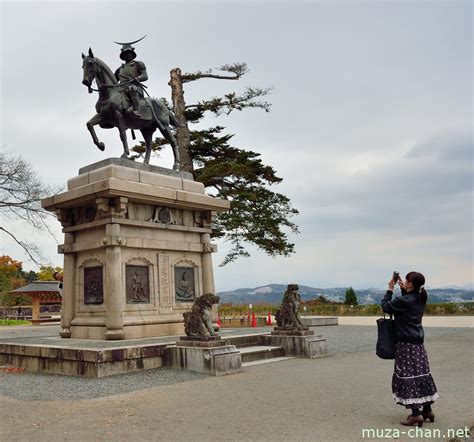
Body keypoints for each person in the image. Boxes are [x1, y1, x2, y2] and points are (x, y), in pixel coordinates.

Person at [382, 271, 438, 427]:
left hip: (405, 344)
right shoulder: (420, 298)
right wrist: (403, 289)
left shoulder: (405, 300)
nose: (404, 282)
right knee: (421, 374)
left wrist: (390, 290)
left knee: (408, 376)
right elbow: (406, 303)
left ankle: (415, 415)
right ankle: (427, 410)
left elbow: (386, 307)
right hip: (418, 343)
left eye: (406, 281)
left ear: (411, 284)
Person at [114, 43, 148, 118]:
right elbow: (114, 82)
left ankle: (137, 110)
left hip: (135, 88)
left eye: (129, 53)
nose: (128, 55)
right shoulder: (119, 69)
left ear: (132, 54)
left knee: (131, 88)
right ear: (123, 55)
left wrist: (136, 79)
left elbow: (145, 76)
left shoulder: (138, 64)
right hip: (122, 89)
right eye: (126, 53)